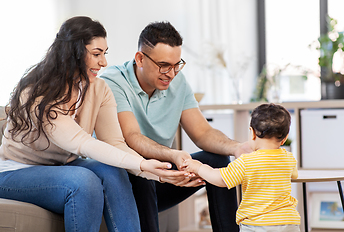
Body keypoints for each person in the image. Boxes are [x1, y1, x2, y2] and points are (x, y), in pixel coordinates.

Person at [0, 16, 177, 232]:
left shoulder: (99, 89)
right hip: (15, 174)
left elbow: (114, 143)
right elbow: (82, 143)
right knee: (84, 180)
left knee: (113, 170)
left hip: (63, 167)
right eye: (96, 54)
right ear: (74, 53)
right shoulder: (38, 93)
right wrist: (143, 164)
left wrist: (157, 172)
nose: (104, 62)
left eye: (104, 54)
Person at [101, 21, 251, 232]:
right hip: (126, 178)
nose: (171, 74)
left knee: (218, 160)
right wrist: (172, 156)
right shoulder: (113, 82)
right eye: (164, 65)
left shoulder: (177, 83)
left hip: (162, 175)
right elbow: (132, 137)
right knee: (140, 173)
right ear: (140, 59)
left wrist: (236, 148)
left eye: (176, 65)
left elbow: (203, 132)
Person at [183, 103, 301, 232]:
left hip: (257, 224)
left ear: (252, 133)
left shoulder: (246, 162)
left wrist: (199, 167)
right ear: (284, 139)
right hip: (289, 223)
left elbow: (221, 179)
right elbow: (293, 175)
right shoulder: (288, 158)